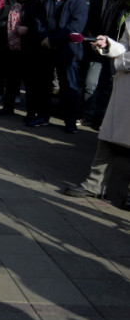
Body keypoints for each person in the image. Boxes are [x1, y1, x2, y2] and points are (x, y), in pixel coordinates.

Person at [63, 22, 130, 205]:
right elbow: (125, 45)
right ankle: (95, 184)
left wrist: (120, 60)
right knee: (108, 136)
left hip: (125, 75)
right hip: (124, 87)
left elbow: (124, 56)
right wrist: (109, 44)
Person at [28, 0, 88, 133]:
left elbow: (75, 26)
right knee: (44, 85)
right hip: (47, 49)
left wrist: (53, 40)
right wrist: (44, 38)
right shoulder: (47, 1)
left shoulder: (78, 2)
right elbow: (38, 22)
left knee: (69, 86)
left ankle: (70, 121)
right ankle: (43, 116)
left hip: (68, 50)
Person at [80, 0, 130, 128]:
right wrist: (91, 39)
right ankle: (88, 115)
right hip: (97, 47)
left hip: (119, 51)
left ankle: (103, 119)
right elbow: (91, 21)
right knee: (90, 83)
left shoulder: (128, 2)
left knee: (110, 86)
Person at [0, 0, 40, 116]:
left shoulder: (36, 4)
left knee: (29, 83)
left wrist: (29, 29)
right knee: (12, 79)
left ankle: (31, 112)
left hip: (27, 47)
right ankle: (8, 107)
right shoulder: (15, 2)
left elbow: (40, 25)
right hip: (12, 47)